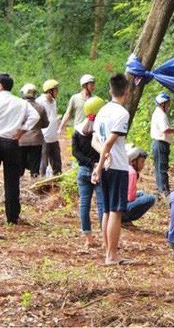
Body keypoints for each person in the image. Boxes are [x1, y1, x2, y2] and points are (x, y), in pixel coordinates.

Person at [0, 73, 39, 225]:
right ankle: (12, 216)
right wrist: (22, 130)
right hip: (12, 142)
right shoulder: (21, 102)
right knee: (12, 181)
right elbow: (35, 116)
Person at [91, 73, 131, 266]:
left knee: (107, 210)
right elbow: (109, 142)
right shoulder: (122, 114)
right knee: (116, 211)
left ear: (110, 90)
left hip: (107, 164)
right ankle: (111, 255)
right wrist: (100, 165)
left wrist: (102, 158)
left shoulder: (102, 111)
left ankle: (108, 252)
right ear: (127, 91)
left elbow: (95, 141)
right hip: (116, 167)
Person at [72, 96, 105, 247]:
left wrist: (89, 163)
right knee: (101, 205)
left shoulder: (77, 131)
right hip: (99, 170)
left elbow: (75, 153)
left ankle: (88, 239)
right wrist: (95, 164)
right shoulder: (100, 132)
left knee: (84, 204)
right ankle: (106, 239)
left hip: (83, 170)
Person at [150, 92, 174, 196]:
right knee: (162, 168)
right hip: (161, 143)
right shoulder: (161, 114)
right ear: (163, 104)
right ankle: (164, 191)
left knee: (159, 167)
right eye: (167, 103)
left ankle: (161, 189)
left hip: (159, 143)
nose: (169, 106)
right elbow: (165, 129)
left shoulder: (158, 113)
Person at [18, 84, 49, 178]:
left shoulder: (19, 107)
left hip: (21, 139)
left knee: (20, 164)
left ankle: (20, 182)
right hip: (37, 140)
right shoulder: (41, 107)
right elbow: (46, 124)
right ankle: (34, 178)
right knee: (35, 165)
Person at [123, 146, 157, 224]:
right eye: (142, 162)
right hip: (122, 208)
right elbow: (130, 198)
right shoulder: (132, 172)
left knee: (141, 193)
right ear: (133, 161)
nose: (143, 165)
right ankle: (126, 219)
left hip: (116, 205)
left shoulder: (125, 168)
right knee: (151, 198)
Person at [38, 79, 62, 177]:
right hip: (44, 137)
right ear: (49, 91)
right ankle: (42, 182)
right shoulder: (39, 102)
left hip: (54, 136)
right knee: (43, 163)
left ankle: (57, 181)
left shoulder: (54, 101)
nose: (57, 92)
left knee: (57, 162)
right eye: (56, 90)